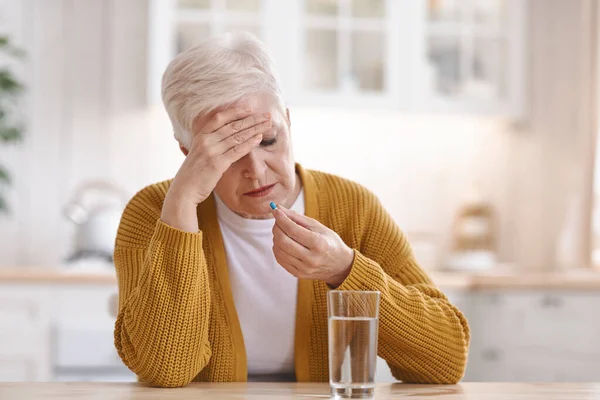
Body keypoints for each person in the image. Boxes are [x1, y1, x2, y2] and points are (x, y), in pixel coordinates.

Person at [113, 32, 470, 388]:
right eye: (227, 151)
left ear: (287, 120)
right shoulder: (151, 212)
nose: (256, 168)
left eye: (268, 140)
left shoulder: (352, 207)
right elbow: (164, 369)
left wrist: (345, 269)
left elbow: (446, 359)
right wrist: (181, 203)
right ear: (187, 152)